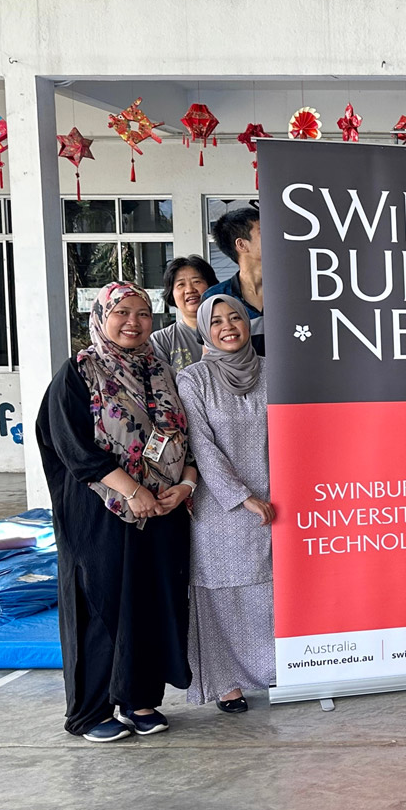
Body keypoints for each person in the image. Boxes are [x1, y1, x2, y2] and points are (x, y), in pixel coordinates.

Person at [35, 282, 198, 742]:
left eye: (143, 313)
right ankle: (90, 711)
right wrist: (130, 491)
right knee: (101, 603)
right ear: (100, 317)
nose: (133, 321)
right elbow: (71, 445)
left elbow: (190, 438)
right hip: (100, 512)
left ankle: (139, 698)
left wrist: (183, 485)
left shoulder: (163, 371)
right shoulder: (79, 372)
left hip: (162, 511)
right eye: (121, 312)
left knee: (151, 601)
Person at [176, 295, 274, 714]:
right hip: (220, 508)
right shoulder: (193, 379)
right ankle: (225, 683)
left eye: (236, 316)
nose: (228, 326)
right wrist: (242, 497)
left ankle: (274, 670)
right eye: (216, 321)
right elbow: (201, 446)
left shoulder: (273, 371)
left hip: (276, 502)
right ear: (203, 330)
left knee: (270, 592)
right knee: (222, 595)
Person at [203, 208, 265, 356]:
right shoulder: (215, 297)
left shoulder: (290, 290)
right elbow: (209, 356)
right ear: (242, 245)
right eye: (263, 232)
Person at [150, 255, 216, 372]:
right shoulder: (162, 340)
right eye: (181, 284)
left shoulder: (228, 329)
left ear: (211, 286)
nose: (190, 289)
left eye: (196, 281)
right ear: (171, 294)